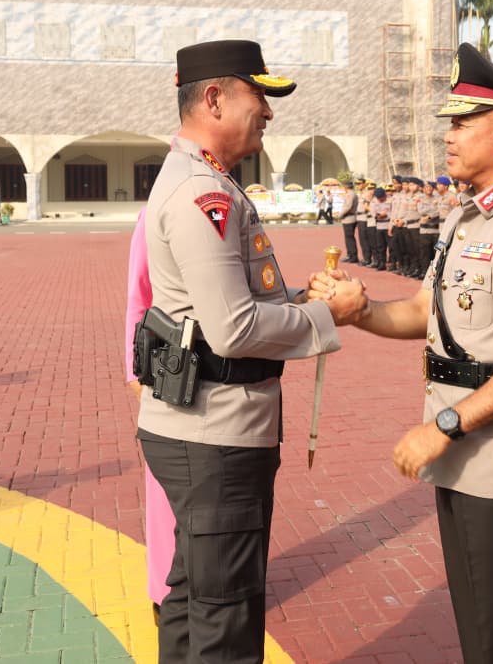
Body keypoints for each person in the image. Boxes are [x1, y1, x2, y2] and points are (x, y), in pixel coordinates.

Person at [311, 43, 493, 664]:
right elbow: (428, 314)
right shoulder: (466, 217)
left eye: (462, 123)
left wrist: (446, 427)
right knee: (478, 620)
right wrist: (362, 311)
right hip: (461, 448)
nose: (449, 138)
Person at [135, 40, 357, 662]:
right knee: (226, 617)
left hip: (201, 424)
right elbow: (232, 329)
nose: (269, 112)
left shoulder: (208, 182)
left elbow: (225, 303)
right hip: (216, 432)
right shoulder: (202, 194)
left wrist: (290, 296)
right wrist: (323, 315)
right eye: (259, 97)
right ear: (214, 99)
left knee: (194, 597)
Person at [123, 208, 175, 622]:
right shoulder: (156, 212)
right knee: (165, 485)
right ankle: (163, 589)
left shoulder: (235, 205)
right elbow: (139, 294)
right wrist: (134, 367)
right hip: (169, 362)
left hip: (226, 372)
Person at [338, 179, 361, 263]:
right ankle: (350, 255)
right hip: (349, 217)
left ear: (346, 187)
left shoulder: (350, 194)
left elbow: (348, 207)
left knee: (349, 238)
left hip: (349, 218)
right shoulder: (351, 194)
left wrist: (339, 215)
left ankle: (353, 256)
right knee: (348, 238)